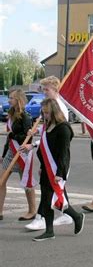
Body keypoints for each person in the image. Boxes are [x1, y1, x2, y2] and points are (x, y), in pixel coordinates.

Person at [20, 98, 84, 241]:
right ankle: (50, 231)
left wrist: (59, 174)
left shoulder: (63, 128)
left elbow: (63, 154)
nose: (45, 116)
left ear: (54, 112)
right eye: (43, 113)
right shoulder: (47, 125)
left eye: (47, 113)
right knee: (47, 199)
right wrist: (42, 167)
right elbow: (43, 148)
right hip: (47, 168)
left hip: (57, 169)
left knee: (55, 199)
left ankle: (76, 216)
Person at [26, 76, 73, 230]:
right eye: (43, 89)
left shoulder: (59, 108)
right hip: (48, 153)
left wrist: (35, 144)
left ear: (55, 89)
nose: (44, 92)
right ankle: (68, 215)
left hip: (56, 156)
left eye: (47, 89)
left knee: (48, 189)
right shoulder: (48, 105)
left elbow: (58, 134)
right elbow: (48, 129)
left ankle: (41, 218)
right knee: (56, 188)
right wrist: (37, 131)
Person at [0, 90, 35, 221]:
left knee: (27, 182)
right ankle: (0, 211)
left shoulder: (25, 116)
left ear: (18, 100)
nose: (9, 100)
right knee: (1, 181)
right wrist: (3, 155)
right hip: (10, 152)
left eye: (11, 98)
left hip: (22, 153)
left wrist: (13, 136)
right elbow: (9, 138)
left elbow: (28, 138)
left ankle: (32, 211)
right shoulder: (11, 114)